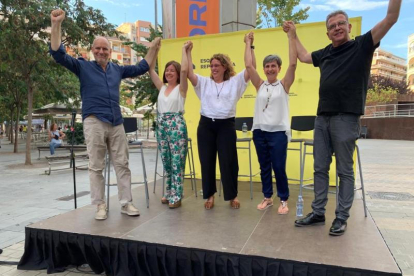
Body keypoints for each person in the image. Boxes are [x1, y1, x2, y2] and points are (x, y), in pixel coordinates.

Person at [293, 1, 402, 236]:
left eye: (341, 23)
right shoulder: (325, 53)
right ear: (328, 32)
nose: (337, 27)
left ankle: (341, 217)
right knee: (320, 168)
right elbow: (302, 56)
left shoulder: (362, 45)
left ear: (349, 26)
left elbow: (391, 17)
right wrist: (292, 34)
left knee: (344, 171)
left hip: (346, 118)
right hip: (322, 119)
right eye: (332, 25)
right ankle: (318, 213)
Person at [50, 9, 160, 220]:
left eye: (105, 49)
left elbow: (142, 67)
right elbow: (58, 54)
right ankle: (100, 205)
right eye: (98, 48)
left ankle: (126, 203)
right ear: (92, 50)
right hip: (94, 120)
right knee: (96, 166)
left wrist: (153, 47)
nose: (101, 51)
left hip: (116, 122)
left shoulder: (117, 69)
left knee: (123, 164)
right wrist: (56, 25)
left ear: (110, 51)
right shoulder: (82, 66)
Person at [186, 42, 251, 210]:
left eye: (216, 65)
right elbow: (189, 73)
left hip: (226, 125)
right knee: (206, 161)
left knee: (228, 162)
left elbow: (251, 67)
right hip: (206, 125)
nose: (213, 68)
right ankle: (209, 195)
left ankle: (232, 195)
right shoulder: (204, 82)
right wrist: (188, 52)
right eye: (211, 65)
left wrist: (249, 45)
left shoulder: (235, 82)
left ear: (224, 66)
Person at [244, 25, 297, 214]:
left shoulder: (284, 84)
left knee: (279, 167)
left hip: (278, 133)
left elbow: (293, 64)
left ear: (278, 68)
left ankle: (283, 199)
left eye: (273, 65)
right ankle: (268, 197)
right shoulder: (259, 84)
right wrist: (249, 44)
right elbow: (249, 66)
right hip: (259, 131)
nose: (269, 68)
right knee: (264, 166)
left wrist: (291, 37)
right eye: (267, 66)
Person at [149, 41, 191, 209]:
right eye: (167, 70)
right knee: (167, 160)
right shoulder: (161, 87)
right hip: (162, 125)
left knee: (177, 160)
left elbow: (185, 70)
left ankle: (177, 194)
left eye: (172, 70)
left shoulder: (181, 88)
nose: (168, 73)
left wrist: (184, 50)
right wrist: (155, 51)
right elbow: (150, 70)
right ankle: (169, 191)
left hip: (176, 125)